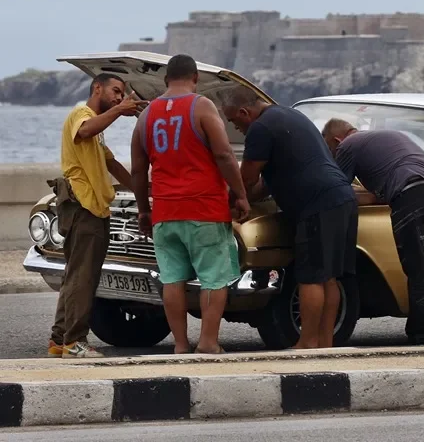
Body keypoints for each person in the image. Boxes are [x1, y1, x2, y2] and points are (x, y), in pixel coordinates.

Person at [130, 54, 250, 354]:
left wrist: (144, 210)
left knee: (172, 279)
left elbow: (136, 169)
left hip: (165, 211)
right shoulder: (202, 106)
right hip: (204, 208)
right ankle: (208, 341)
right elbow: (223, 155)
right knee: (212, 277)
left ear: (165, 79)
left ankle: (180, 344)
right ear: (195, 77)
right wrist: (240, 194)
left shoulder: (146, 115)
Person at [221, 88, 357, 350]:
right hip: (341, 198)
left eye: (233, 121)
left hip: (317, 205)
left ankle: (306, 342)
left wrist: (228, 202)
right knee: (330, 277)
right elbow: (264, 186)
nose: (235, 127)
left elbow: (246, 179)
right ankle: (325, 343)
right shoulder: (289, 115)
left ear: (243, 112)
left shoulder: (261, 128)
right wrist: (250, 198)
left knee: (310, 276)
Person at [321, 119, 424, 345]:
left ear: (336, 140)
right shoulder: (386, 138)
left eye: (330, 150)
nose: (334, 154)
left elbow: (336, 191)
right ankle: (420, 328)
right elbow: (379, 191)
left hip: (412, 195)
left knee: (417, 269)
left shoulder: (347, 146)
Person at [49, 74, 146, 359]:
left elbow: (111, 163)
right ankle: (75, 341)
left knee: (75, 275)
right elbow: (86, 130)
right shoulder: (83, 114)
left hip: (90, 207)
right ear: (97, 88)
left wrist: (142, 188)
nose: (119, 97)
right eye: (116, 91)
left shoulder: (97, 125)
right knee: (84, 278)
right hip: (85, 207)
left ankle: (59, 339)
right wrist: (119, 110)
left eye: (122, 94)